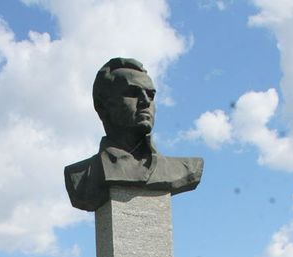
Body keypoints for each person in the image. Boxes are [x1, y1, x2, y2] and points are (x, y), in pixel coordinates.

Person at [64, 57, 203, 211]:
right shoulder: (82, 175)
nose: (145, 101)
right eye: (132, 93)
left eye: (151, 95)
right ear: (102, 106)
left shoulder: (184, 169)